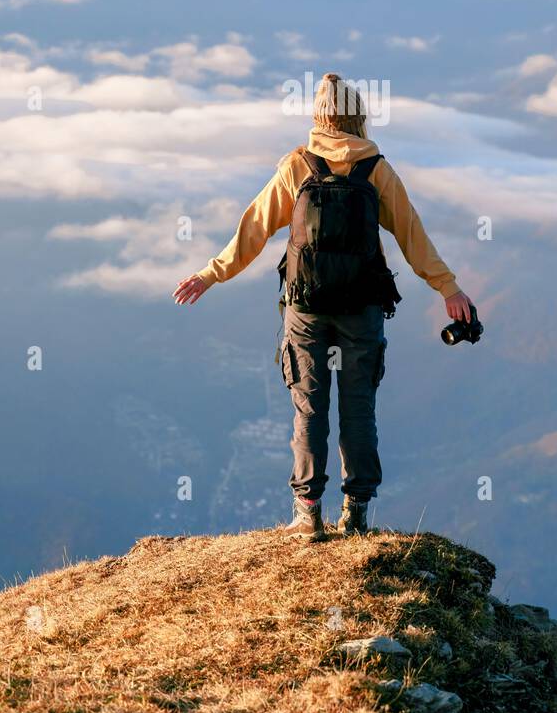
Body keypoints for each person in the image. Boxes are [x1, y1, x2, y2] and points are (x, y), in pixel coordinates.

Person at [173, 73, 473, 542]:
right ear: (358, 116)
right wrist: (448, 288)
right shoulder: (376, 169)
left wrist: (212, 273)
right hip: (361, 308)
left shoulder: (298, 166)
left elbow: (255, 227)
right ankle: (355, 511)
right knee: (358, 409)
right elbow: (413, 236)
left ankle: (307, 513)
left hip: (306, 309)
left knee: (309, 409)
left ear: (319, 117)